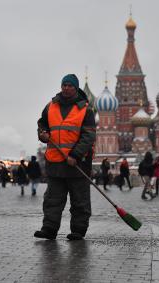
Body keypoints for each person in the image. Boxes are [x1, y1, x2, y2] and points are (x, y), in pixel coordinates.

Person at [34, 74, 96, 241]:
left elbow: (88, 136)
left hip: (77, 164)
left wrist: (76, 154)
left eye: (70, 85)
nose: (67, 88)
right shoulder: (51, 106)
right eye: (64, 85)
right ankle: (49, 228)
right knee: (52, 200)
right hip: (55, 162)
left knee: (80, 201)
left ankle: (78, 230)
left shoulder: (85, 110)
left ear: (76, 88)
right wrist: (43, 134)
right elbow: (42, 124)